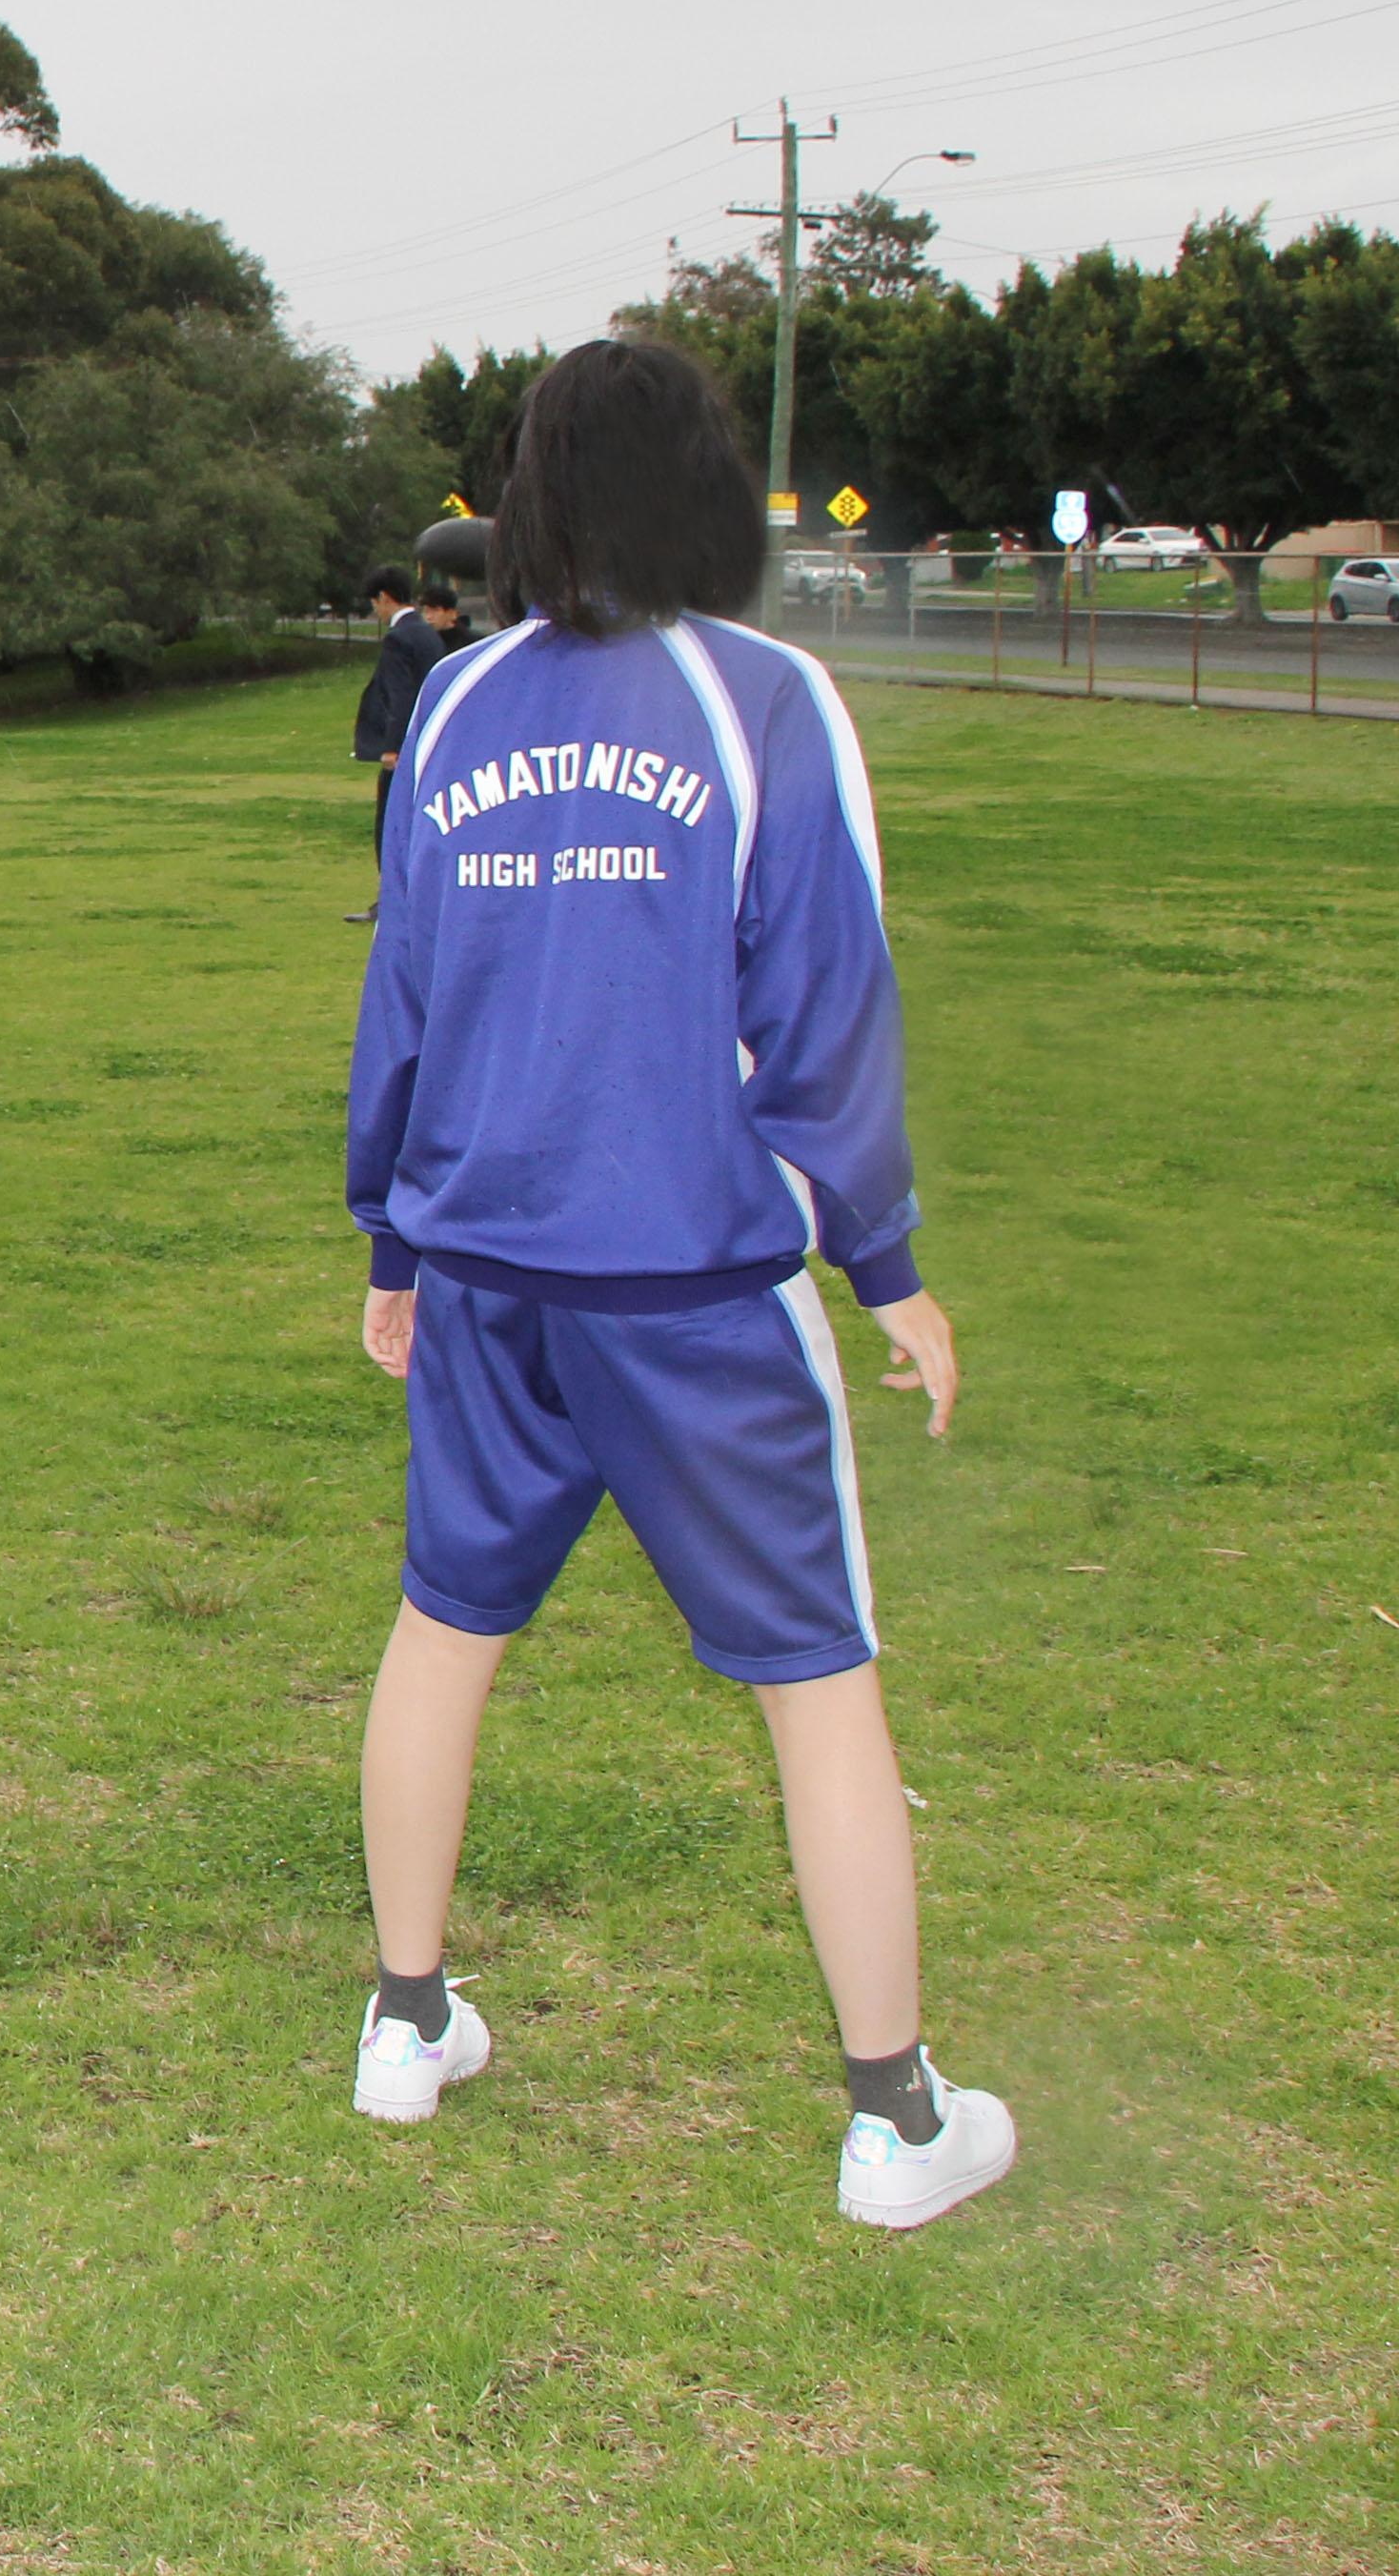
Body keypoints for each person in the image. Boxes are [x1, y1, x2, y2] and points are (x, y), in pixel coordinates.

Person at [341, 336, 1004, 2231]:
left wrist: (395, 1233)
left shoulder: (458, 705)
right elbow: (828, 1003)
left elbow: (404, 998)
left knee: (441, 1627)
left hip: (490, 1272)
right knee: (817, 1678)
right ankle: (893, 2116)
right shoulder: (765, 700)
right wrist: (884, 1262)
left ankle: (405, 2020)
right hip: (693, 1287)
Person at [345, 570, 459, 923]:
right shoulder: (427, 634)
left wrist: (392, 746)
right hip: (430, 743)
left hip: (405, 746)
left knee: (390, 823)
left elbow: (400, 695)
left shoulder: (399, 638)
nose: (375, 610)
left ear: (384, 597)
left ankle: (391, 902)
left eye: (374, 602)